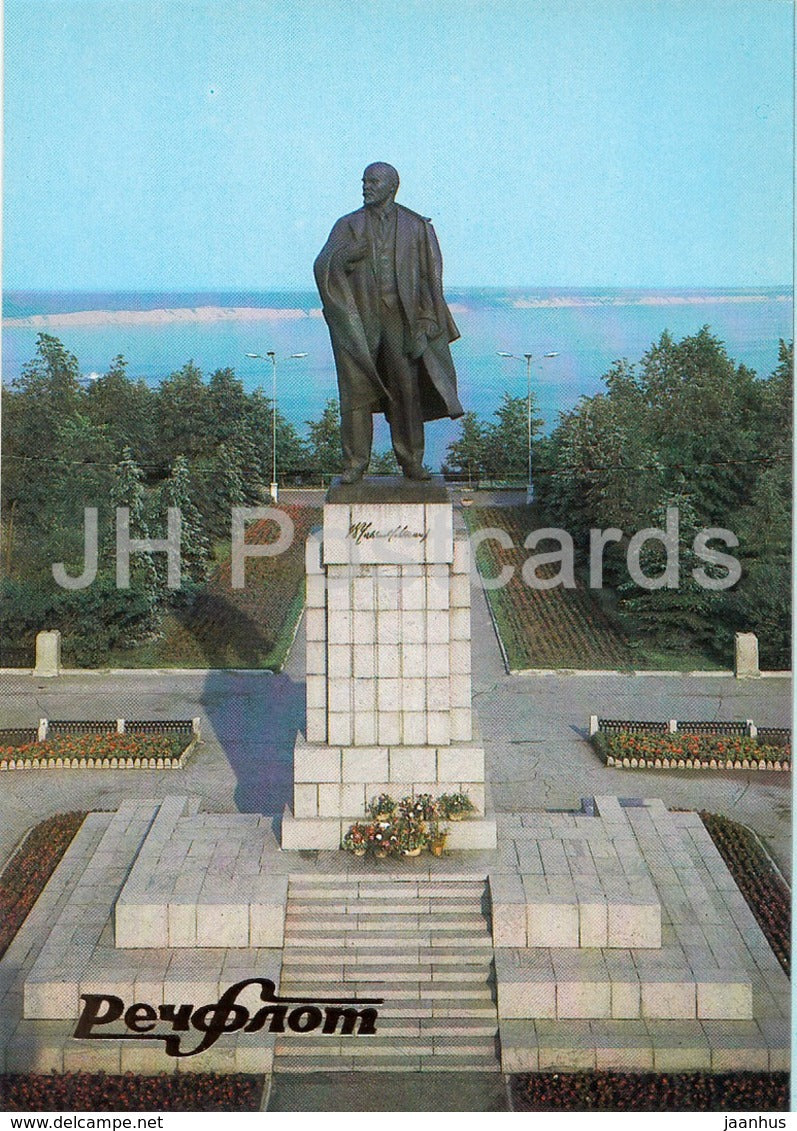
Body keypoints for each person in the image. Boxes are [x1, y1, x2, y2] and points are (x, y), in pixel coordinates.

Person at [314, 162, 463, 483]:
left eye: (373, 181)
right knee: (355, 392)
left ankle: (411, 461)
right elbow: (323, 265)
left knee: (406, 391)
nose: (366, 186)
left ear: (392, 186)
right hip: (361, 320)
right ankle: (355, 463)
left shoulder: (416, 226)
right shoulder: (348, 225)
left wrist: (425, 318)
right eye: (364, 181)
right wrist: (345, 256)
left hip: (402, 320)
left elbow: (430, 278)